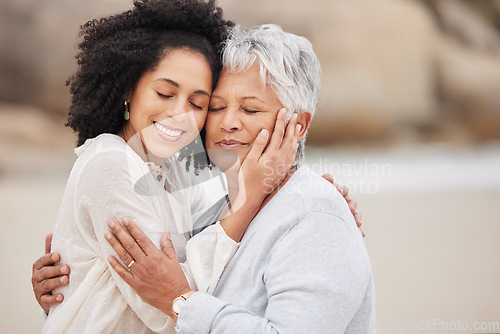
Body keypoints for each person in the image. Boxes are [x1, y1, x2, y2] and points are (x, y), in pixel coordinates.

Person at [36, 1, 305, 333]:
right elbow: (164, 308)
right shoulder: (110, 162)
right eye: (165, 92)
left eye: (198, 103)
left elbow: (220, 226)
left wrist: (303, 198)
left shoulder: (172, 170)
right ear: (128, 89)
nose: (180, 113)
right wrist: (250, 198)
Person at [104, 24, 375, 333]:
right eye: (216, 107)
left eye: (249, 109)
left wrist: (180, 301)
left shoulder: (315, 218)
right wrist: (69, 289)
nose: (228, 123)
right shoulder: (216, 208)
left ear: (298, 125)